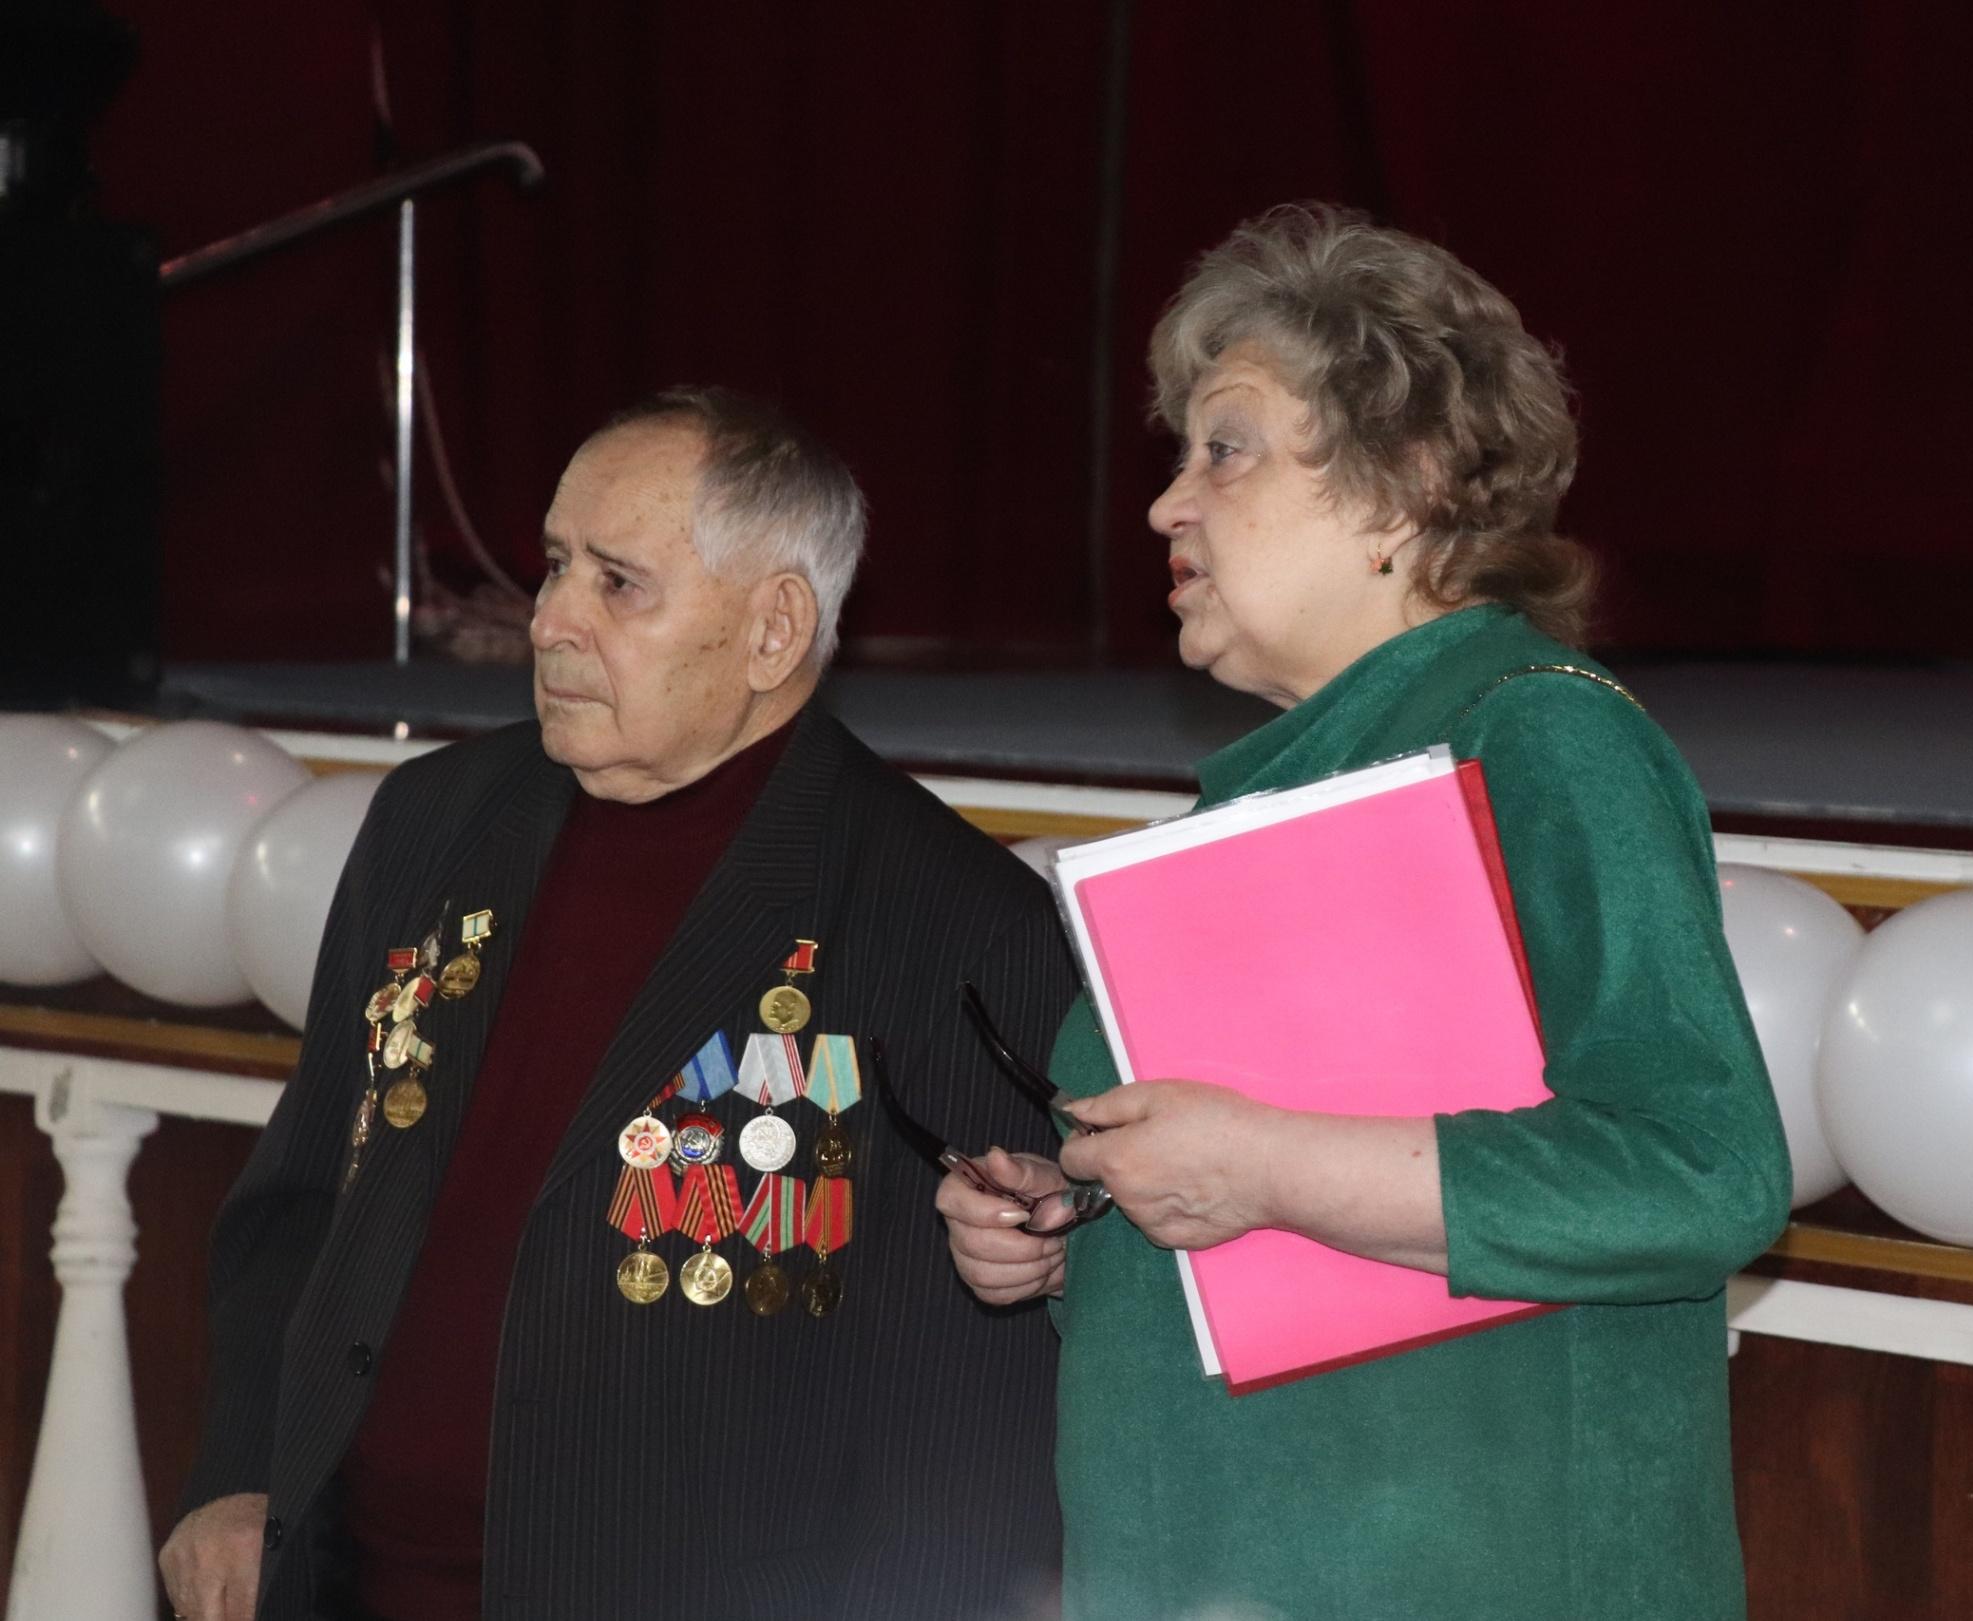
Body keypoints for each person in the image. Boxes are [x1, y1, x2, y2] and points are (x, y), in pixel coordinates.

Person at [940, 206, 1793, 1619]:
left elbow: (1700, 1174)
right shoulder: (1269, 790)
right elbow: (1277, 1234)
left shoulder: (1536, 738)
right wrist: (1069, 1226)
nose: (1166, 506)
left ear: (1407, 481)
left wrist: (1263, 1164)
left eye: (1226, 448)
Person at [160, 388, 1074, 1621]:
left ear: (772, 630)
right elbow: (303, 1196)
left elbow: (960, 1420)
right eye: (553, 566)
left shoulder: (950, 923)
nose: (548, 620)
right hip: (347, 1584)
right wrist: (235, 1472)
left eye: (617, 583)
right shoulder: (432, 824)